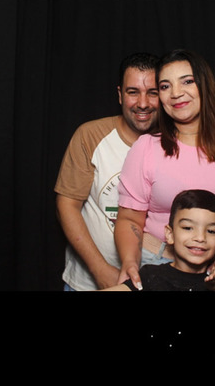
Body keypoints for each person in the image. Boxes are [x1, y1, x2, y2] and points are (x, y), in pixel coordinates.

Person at [114, 49, 215, 290]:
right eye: (165, 86)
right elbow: (129, 219)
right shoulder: (145, 148)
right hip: (159, 266)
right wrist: (129, 261)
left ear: (205, 85)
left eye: (187, 81)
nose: (176, 93)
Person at [54, 52, 163, 290]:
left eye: (152, 92)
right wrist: (99, 270)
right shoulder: (90, 135)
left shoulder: (176, 143)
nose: (143, 103)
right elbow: (67, 205)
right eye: (133, 92)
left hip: (156, 282)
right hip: (87, 283)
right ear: (120, 95)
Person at [103, 189, 215, 292]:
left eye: (211, 231)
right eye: (188, 228)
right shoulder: (150, 275)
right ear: (170, 234)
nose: (200, 238)